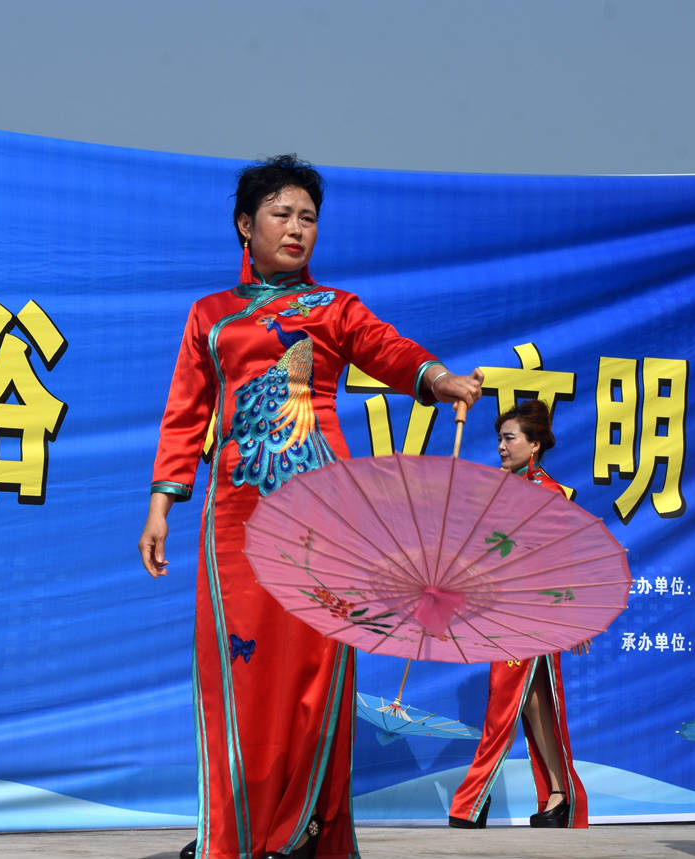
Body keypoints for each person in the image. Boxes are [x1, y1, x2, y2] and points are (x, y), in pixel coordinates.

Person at [139, 155, 484, 859]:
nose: (296, 229)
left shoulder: (334, 308)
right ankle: (234, 831)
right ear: (246, 225)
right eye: (281, 215)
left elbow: (387, 349)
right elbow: (185, 414)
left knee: (317, 666)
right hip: (235, 514)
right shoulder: (210, 316)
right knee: (240, 670)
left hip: (323, 511)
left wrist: (438, 379)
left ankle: (304, 830)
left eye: (308, 218)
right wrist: (161, 503)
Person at [446, 400, 588, 830]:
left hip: (530, 616)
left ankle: (473, 800)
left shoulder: (549, 494)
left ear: (535, 444)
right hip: (501, 614)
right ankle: (560, 796)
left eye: (510, 438)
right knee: (533, 704)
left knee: (505, 703)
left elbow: (564, 559)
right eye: (500, 439)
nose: (502, 447)